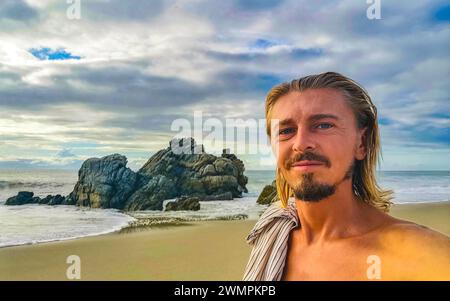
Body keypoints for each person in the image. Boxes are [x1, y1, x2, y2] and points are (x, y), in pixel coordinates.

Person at [243, 72, 450, 281]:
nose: (300, 143)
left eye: (323, 125)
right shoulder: (274, 235)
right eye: (286, 131)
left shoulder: (418, 255)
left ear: (361, 143)